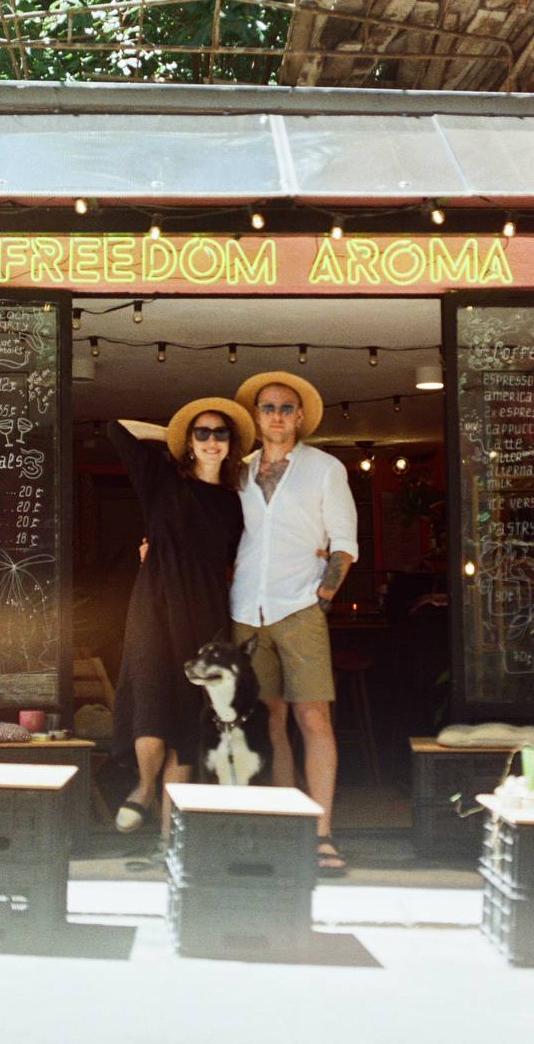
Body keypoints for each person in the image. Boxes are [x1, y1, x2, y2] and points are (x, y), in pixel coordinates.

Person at [107, 396, 254, 840]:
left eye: (220, 433)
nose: (211, 441)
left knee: (192, 714)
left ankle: (170, 836)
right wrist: (174, 434)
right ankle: (144, 787)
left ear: (230, 444)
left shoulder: (237, 502)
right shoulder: (162, 479)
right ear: (190, 442)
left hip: (206, 610)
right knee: (151, 693)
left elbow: (246, 559)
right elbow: (118, 427)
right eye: (201, 433)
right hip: (154, 602)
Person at [230, 371, 358, 874]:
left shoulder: (324, 469)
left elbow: (343, 542)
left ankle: (321, 835)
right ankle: (286, 826)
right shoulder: (238, 471)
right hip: (245, 608)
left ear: (300, 416)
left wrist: (323, 596)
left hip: (299, 606)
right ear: (257, 416)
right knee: (267, 719)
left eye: (287, 407)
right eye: (269, 407)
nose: (278, 416)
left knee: (313, 717)